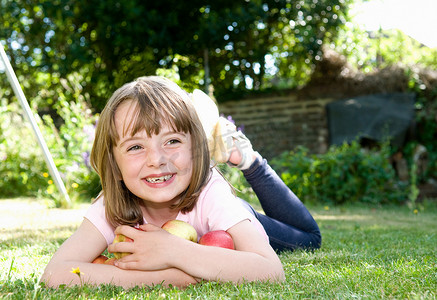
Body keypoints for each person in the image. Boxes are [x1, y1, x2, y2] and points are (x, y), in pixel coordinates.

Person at [41, 76, 321, 288]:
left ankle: (248, 160)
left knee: (309, 240)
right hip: (208, 213)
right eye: (135, 147)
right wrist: (167, 276)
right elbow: (55, 273)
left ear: (197, 149)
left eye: (172, 141)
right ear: (114, 164)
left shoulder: (213, 194)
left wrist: (174, 250)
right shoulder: (112, 203)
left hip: (226, 214)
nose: (157, 159)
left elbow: (270, 272)